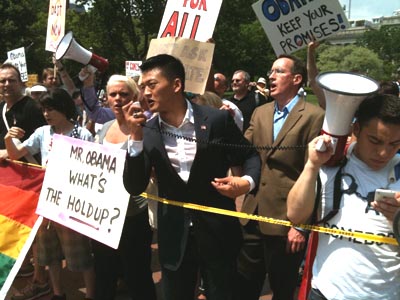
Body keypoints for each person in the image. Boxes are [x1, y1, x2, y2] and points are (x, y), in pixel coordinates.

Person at [122, 54, 261, 300]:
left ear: (176, 85)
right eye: (143, 87)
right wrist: (134, 138)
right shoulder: (147, 130)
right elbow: (134, 185)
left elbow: (249, 155)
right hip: (174, 235)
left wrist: (245, 183)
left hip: (218, 232)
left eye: (152, 85)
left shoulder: (216, 119)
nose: (145, 93)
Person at [287, 93, 400, 300]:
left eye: (394, 144)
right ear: (356, 129)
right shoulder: (330, 161)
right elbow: (295, 215)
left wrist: (397, 221)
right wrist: (312, 166)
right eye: (375, 140)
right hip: (325, 292)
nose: (384, 153)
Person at [236, 54, 325, 300]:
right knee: (245, 283)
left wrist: (300, 225)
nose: (271, 76)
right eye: (271, 71)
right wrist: (227, 122)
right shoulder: (260, 112)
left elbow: (316, 175)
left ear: (297, 79)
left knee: (282, 287)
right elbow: (243, 149)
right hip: (252, 211)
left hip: (287, 219)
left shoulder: (314, 115)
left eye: (279, 71)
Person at [5, 88, 95, 300]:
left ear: (64, 108)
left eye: (51, 109)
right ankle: (57, 293)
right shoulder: (42, 133)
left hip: (71, 204)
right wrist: (9, 139)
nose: (46, 114)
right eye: (44, 109)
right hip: (47, 203)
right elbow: (15, 154)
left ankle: (91, 294)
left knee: (80, 254)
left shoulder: (83, 134)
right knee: (50, 254)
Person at [92, 74, 156, 300]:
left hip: (133, 214)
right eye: (113, 94)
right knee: (105, 271)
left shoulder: (146, 128)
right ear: (107, 99)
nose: (118, 99)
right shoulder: (104, 128)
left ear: (134, 96)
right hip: (103, 215)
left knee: (137, 273)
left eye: (124, 94)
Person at [0, 63, 50, 300]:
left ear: (21, 83)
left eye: (11, 80)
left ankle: (41, 280)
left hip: (33, 178)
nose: (7, 85)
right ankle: (27, 266)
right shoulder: (2, 109)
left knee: (36, 232)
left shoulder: (31, 108)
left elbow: (44, 141)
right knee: (16, 225)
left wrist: (6, 152)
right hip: (11, 180)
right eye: (3, 81)